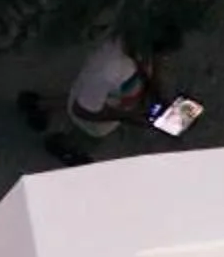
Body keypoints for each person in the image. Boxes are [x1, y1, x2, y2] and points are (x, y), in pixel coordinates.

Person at [17, 21, 184, 167]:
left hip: (103, 97)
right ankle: (63, 146)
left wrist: (158, 92)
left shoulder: (135, 43)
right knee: (85, 137)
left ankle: (38, 105)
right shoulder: (108, 72)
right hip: (96, 119)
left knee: (86, 96)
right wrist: (129, 116)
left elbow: (152, 64)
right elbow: (82, 110)